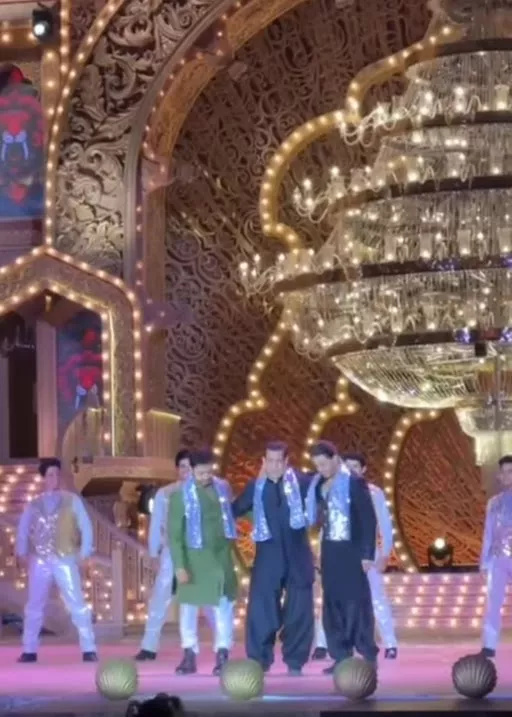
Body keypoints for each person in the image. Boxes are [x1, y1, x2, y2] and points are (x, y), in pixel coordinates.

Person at [232, 441, 314, 676]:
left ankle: (295, 661)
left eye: (279, 461)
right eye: (270, 461)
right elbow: (233, 510)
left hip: (298, 556)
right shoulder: (256, 487)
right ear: (264, 462)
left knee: (300, 609)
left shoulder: (301, 483)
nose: (275, 465)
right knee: (261, 609)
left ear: (287, 462)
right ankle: (259, 659)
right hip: (268, 557)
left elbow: (322, 493)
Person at [312, 452, 397, 660]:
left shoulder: (373, 492)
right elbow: (328, 524)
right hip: (339, 555)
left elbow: (382, 524)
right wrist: (321, 553)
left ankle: (390, 643)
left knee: (375, 597)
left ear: (363, 469)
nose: (350, 470)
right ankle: (323, 644)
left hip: (366, 555)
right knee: (332, 599)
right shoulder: (332, 487)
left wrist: (384, 553)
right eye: (347, 466)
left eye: (355, 467)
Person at [15, 457, 97, 663]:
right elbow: (23, 529)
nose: (55, 478)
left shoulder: (72, 500)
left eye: (57, 474)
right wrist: (21, 552)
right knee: (34, 604)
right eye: (50, 475)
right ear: (44, 478)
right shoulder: (34, 504)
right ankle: (29, 649)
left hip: (65, 558)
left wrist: (85, 552)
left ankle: (89, 648)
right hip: (40, 559)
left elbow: (85, 526)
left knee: (77, 602)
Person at [306, 441, 378, 673]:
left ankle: (367, 653)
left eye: (324, 464)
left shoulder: (354, 482)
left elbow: (368, 519)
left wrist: (367, 554)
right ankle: (341, 655)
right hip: (330, 550)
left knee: (356, 603)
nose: (321, 469)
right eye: (317, 466)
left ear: (335, 458)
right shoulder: (318, 484)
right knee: (332, 603)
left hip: (352, 550)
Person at [136, 449, 213, 661]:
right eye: (182, 467)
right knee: (159, 598)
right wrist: (153, 552)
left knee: (208, 598)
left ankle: (222, 645)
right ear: (177, 469)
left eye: (189, 467)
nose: (186, 471)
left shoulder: (205, 491)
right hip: (171, 553)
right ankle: (149, 646)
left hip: (199, 553)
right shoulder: (165, 493)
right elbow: (156, 525)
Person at [168, 448, 237, 675]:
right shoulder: (180, 496)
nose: (206, 477)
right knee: (188, 609)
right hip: (193, 560)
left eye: (209, 472)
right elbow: (174, 536)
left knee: (224, 606)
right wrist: (180, 566)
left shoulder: (222, 488)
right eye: (201, 473)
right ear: (191, 470)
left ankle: (223, 653)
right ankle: (189, 654)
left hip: (220, 557)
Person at [480, 454, 512, 657]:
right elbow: (488, 533)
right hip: (498, 558)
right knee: (493, 603)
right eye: (504, 472)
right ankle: (489, 645)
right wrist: (484, 562)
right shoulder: (494, 503)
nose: (507, 475)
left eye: (511, 471)